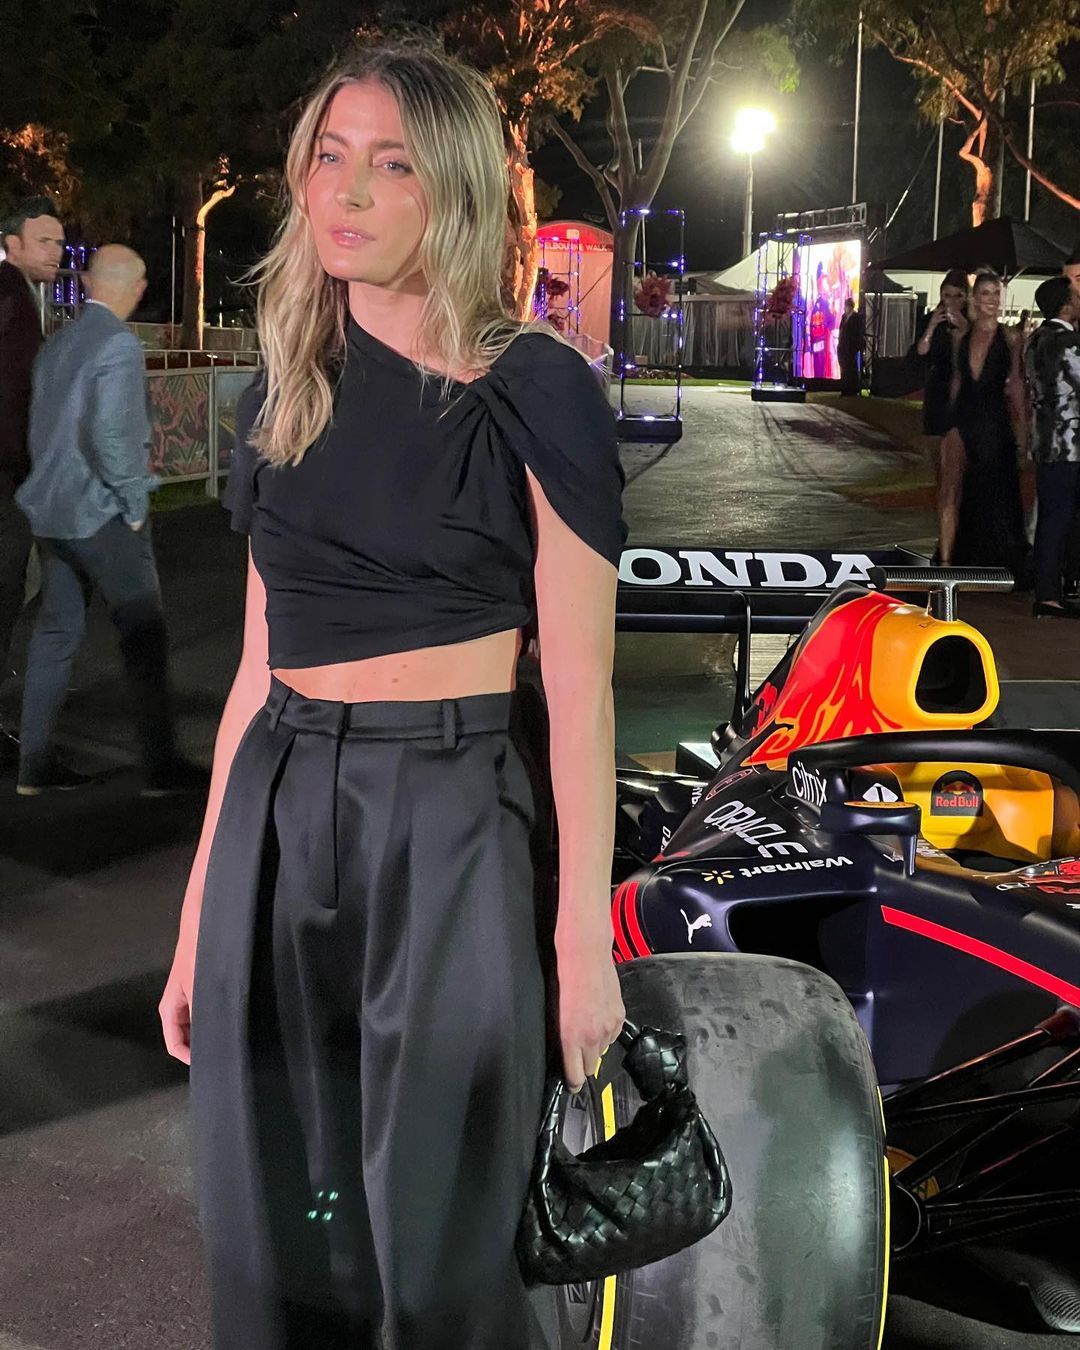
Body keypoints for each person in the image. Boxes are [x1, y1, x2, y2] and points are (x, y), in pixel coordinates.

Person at [157, 45, 626, 1350]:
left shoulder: (535, 387)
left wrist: (579, 943)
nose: (348, 191)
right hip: (279, 802)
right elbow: (254, 669)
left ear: (454, 190)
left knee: (443, 1237)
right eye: (329, 157)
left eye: (392, 163)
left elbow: (579, 685)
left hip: (450, 806)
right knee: (278, 1217)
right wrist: (197, 918)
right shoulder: (284, 388)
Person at [15, 245, 207, 796]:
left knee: (56, 634)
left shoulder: (59, 343)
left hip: (52, 514)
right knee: (144, 636)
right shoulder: (117, 344)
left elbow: (41, 428)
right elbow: (114, 436)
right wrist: (135, 504)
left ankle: (34, 766)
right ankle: (161, 769)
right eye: (143, 281)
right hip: (101, 514)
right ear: (132, 287)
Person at [0, 197, 65, 760]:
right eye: (43, 241)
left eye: (59, 242)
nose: (56, 251)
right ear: (12, 244)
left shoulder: (19, 297)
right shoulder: (12, 300)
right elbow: (16, 399)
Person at [939, 269, 1030, 578]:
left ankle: (995, 563)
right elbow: (957, 378)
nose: (992, 300)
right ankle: (947, 562)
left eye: (996, 294)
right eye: (986, 293)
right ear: (975, 298)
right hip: (962, 416)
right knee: (952, 489)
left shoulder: (1011, 337)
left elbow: (1016, 385)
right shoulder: (961, 336)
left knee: (994, 489)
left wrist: (1023, 432)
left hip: (993, 420)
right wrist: (948, 418)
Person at [1024, 275, 1080, 618]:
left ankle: (1049, 588)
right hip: (1070, 443)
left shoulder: (1034, 340)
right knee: (1061, 518)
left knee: (1050, 516)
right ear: (1065, 305)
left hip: (1044, 441)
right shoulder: (1068, 342)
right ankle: (1050, 593)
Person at [808, 261, 836, 379]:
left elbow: (832, 322)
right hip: (817, 338)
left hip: (822, 338)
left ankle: (820, 380)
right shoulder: (816, 304)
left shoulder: (825, 304)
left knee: (822, 364)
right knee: (818, 364)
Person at [837, 296, 865, 395]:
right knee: (843, 368)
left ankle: (852, 389)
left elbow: (858, 333)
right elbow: (841, 329)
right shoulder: (844, 316)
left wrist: (856, 347)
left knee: (851, 368)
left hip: (850, 348)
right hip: (842, 347)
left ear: (850, 307)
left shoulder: (856, 317)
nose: (845, 308)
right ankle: (844, 388)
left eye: (846, 306)